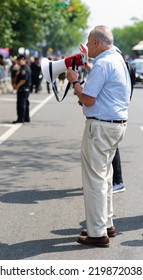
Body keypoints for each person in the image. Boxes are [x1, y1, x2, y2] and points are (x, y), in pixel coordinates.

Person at [66, 25, 131, 247]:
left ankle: (97, 233)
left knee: (94, 181)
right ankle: (106, 225)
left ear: (96, 43)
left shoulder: (103, 64)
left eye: (89, 42)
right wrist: (87, 65)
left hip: (101, 127)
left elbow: (88, 99)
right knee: (104, 178)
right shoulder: (116, 58)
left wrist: (74, 80)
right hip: (115, 125)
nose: (87, 46)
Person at [13, 54, 31, 123]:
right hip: (25, 89)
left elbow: (23, 79)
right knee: (25, 103)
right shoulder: (24, 68)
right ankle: (26, 118)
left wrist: (17, 86)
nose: (18, 62)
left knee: (21, 104)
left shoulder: (24, 68)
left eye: (19, 60)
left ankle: (21, 119)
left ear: (24, 60)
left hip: (23, 89)